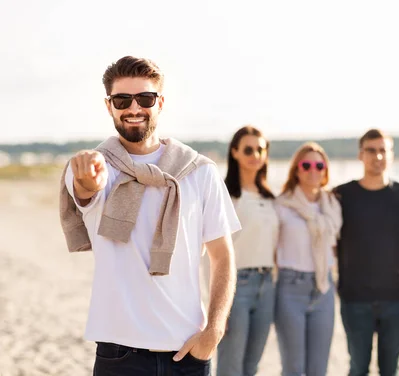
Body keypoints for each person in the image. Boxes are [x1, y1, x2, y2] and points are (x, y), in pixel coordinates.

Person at [59, 56, 240, 376]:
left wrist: (214, 332)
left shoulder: (198, 171)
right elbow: (88, 188)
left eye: (145, 98)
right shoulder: (95, 167)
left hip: (188, 352)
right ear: (109, 106)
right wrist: (88, 178)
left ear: (160, 103)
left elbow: (222, 256)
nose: (133, 108)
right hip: (118, 354)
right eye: (121, 99)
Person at [334, 129, 399, 376]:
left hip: (395, 298)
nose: (377, 156)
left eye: (383, 150)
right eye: (371, 150)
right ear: (360, 154)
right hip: (355, 298)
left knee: (391, 369)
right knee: (358, 368)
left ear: (391, 155)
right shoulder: (342, 194)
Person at [274, 142, 342, 376]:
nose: (313, 169)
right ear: (296, 170)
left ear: (325, 170)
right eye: (306, 165)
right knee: (293, 368)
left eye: (319, 165)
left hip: (324, 289)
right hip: (290, 289)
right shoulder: (282, 205)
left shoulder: (332, 205)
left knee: (318, 369)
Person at [217, 126, 279, 376]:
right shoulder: (225, 196)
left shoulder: (271, 195)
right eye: (249, 149)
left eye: (261, 149)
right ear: (235, 153)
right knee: (231, 366)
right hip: (236, 287)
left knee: (252, 366)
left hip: (267, 286)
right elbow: (212, 254)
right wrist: (218, 304)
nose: (256, 154)